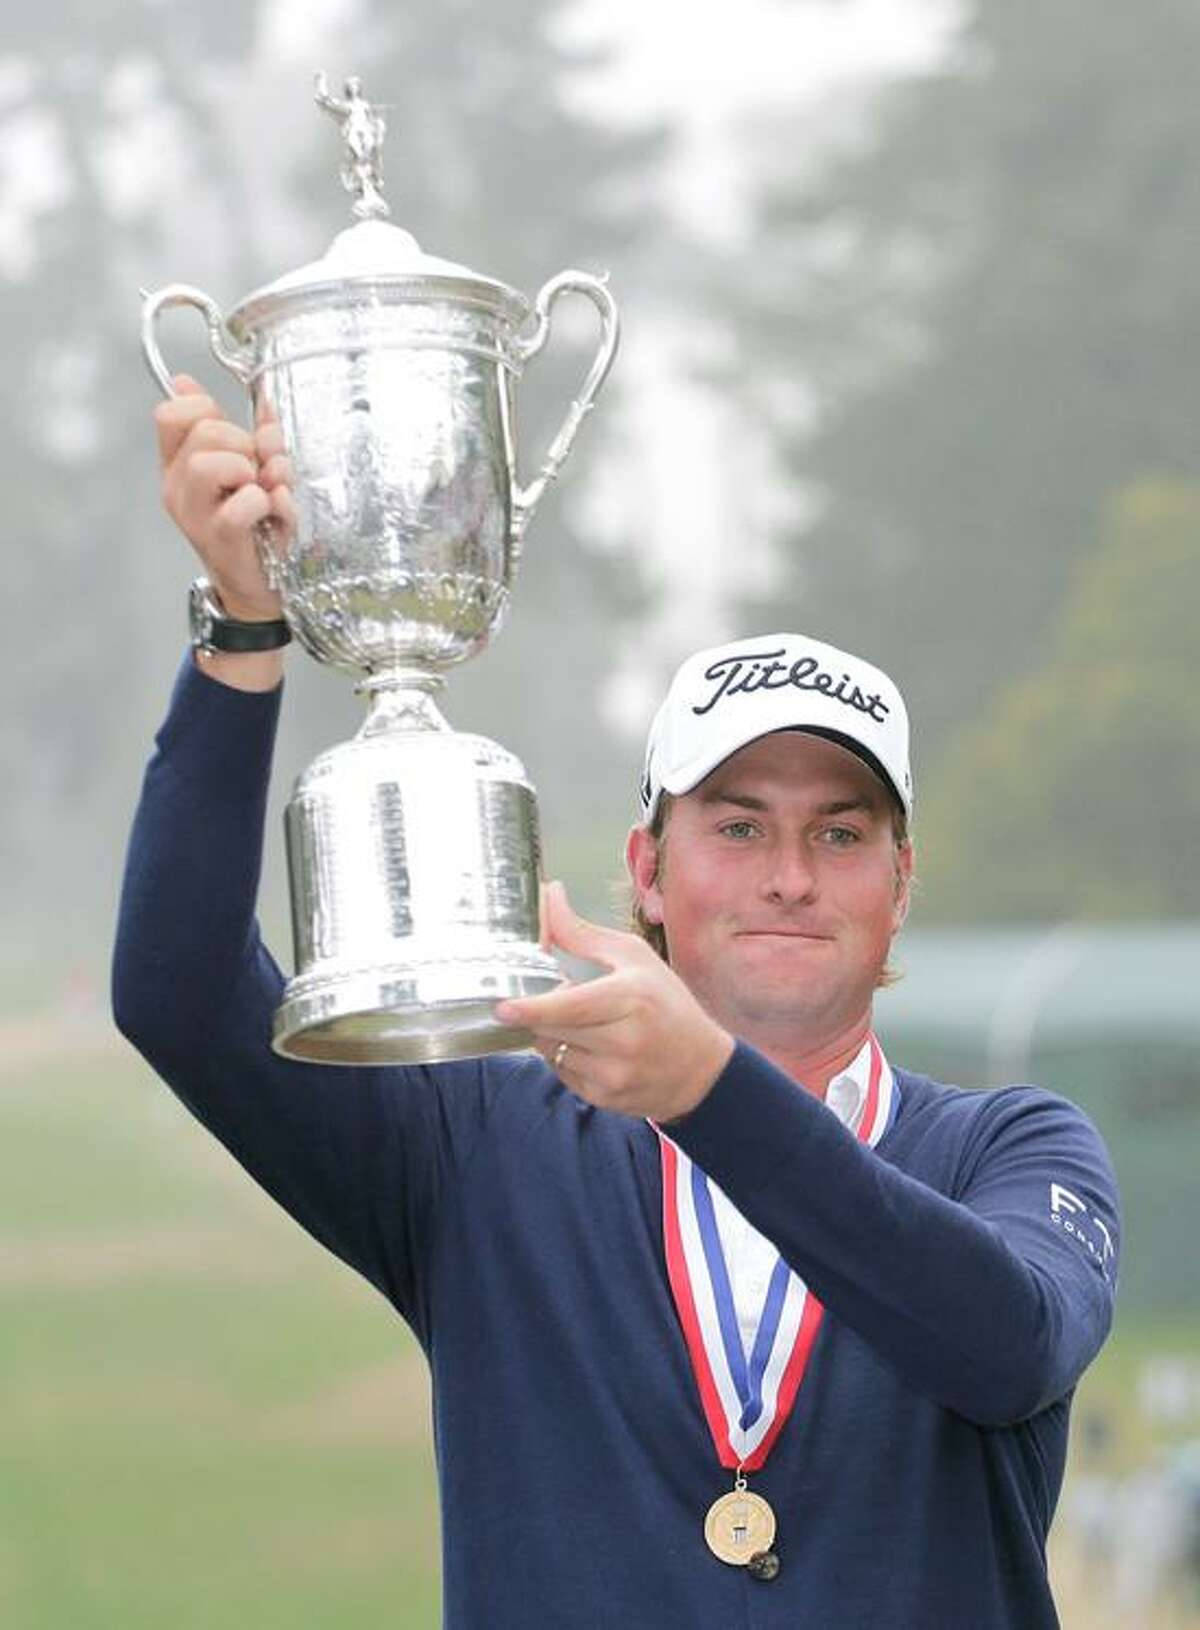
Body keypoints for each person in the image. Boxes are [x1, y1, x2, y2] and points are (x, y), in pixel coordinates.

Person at [113, 377, 1121, 1629]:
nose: (791, 876)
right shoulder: (481, 1147)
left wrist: (706, 1091)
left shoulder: (1015, 1148)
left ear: (901, 885)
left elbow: (1002, 1344)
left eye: (843, 833)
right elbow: (178, 988)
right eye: (739, 826)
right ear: (648, 869)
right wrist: (242, 629)